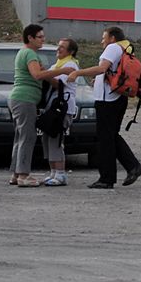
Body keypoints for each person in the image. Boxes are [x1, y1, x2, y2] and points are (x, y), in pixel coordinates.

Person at [68, 26, 141, 190]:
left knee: (105, 140)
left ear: (112, 38)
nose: (102, 41)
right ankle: (132, 167)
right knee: (111, 136)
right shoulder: (124, 48)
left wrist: (77, 73)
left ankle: (107, 178)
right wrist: (99, 79)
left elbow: (102, 68)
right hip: (117, 98)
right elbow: (109, 71)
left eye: (104, 37)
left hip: (108, 101)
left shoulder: (113, 48)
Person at [9, 25, 72, 188]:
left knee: (20, 136)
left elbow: (43, 75)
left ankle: (16, 174)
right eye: (40, 37)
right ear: (30, 38)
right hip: (25, 99)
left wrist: (55, 81)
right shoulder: (29, 53)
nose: (43, 39)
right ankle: (23, 175)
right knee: (28, 137)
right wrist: (62, 70)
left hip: (21, 99)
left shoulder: (28, 54)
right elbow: (37, 75)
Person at [41, 38, 80, 187]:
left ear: (71, 52)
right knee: (47, 138)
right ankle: (53, 172)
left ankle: (60, 174)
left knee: (56, 139)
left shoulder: (70, 65)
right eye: (58, 46)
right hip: (53, 108)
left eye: (62, 47)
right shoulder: (57, 65)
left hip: (62, 109)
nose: (59, 49)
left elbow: (58, 84)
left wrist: (46, 74)